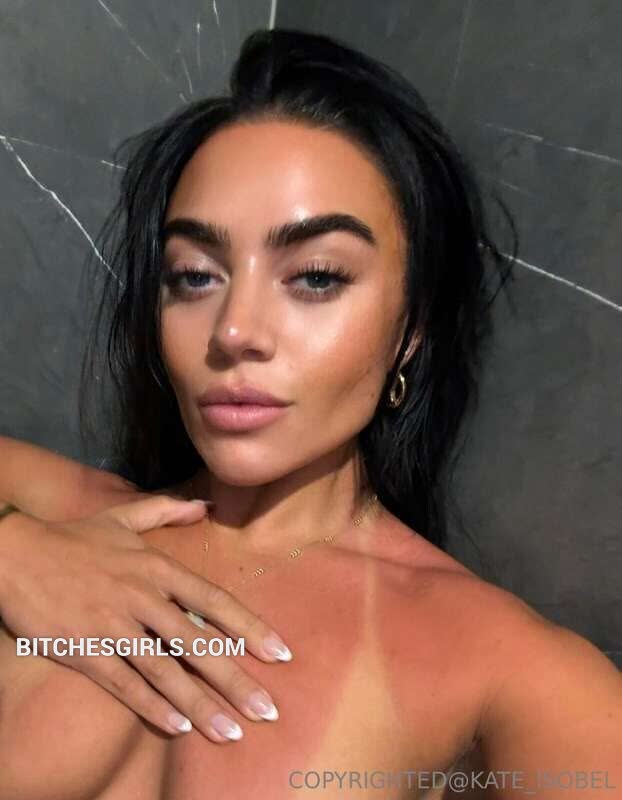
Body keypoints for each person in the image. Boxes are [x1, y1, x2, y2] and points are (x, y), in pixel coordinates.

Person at [0, 26, 620, 800]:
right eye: (194, 276)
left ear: (411, 326)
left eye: (317, 277)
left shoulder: (494, 664)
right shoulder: (59, 517)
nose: (234, 331)